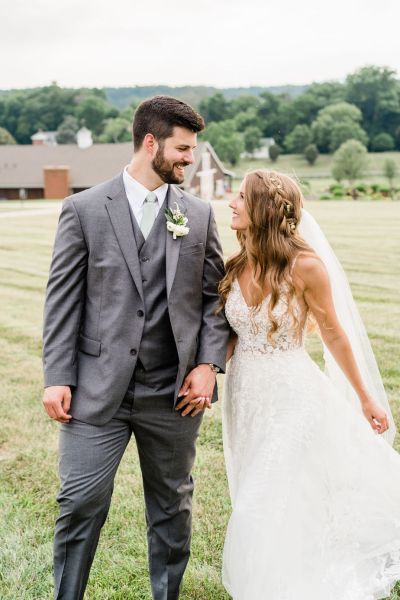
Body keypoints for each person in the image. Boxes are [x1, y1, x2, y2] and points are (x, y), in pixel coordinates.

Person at [42, 95, 229, 600]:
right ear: (151, 143)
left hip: (173, 392)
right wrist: (57, 376)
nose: (190, 159)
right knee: (79, 502)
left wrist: (210, 363)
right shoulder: (82, 209)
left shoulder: (198, 214)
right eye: (183, 149)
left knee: (172, 510)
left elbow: (216, 299)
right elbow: (62, 300)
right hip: (96, 391)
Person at [220, 169, 400, 599]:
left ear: (262, 208)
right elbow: (231, 333)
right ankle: (287, 570)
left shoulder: (306, 266)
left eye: (241, 197)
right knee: (271, 491)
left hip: (291, 396)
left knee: (260, 499)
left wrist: (364, 397)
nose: (231, 202)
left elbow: (335, 333)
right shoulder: (239, 262)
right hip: (245, 396)